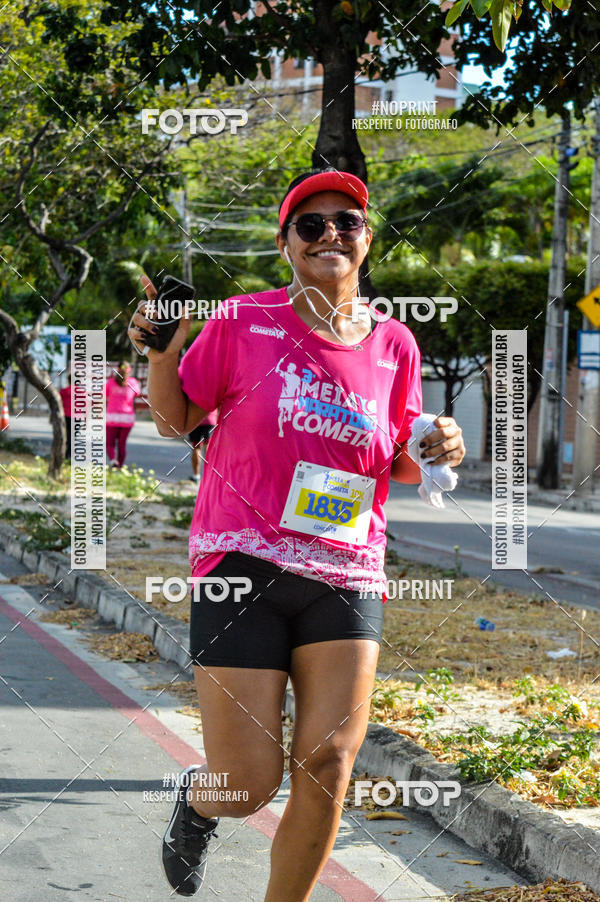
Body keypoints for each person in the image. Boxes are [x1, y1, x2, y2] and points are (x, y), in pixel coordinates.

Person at [129, 168, 466, 901]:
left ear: (367, 240)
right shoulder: (243, 320)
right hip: (242, 562)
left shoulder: (396, 344)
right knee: (248, 782)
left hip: (347, 570)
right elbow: (177, 420)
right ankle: (198, 801)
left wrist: (440, 444)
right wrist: (161, 354)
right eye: (310, 225)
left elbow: (400, 458)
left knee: (331, 764)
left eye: (347, 222)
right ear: (286, 244)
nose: (330, 235)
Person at [105, 361, 140, 468]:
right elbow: (137, 393)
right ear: (129, 370)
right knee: (122, 444)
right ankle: (119, 466)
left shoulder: (110, 382)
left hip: (112, 417)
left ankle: (113, 461)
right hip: (127, 417)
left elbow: (105, 394)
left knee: (110, 443)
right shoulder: (133, 382)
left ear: (118, 369)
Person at [188, 410, 218, 483]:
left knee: (196, 447)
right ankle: (210, 476)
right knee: (208, 446)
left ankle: (196, 476)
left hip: (195, 421)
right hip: (211, 420)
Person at [59, 374, 72, 459]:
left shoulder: (63, 391)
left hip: (65, 415)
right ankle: (68, 455)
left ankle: (64, 454)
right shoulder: (82, 392)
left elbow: (58, 403)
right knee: (73, 436)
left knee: (65, 435)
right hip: (76, 417)